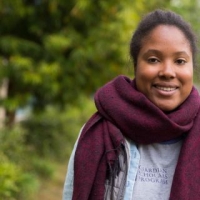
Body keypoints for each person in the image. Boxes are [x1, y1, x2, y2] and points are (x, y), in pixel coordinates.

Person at [63, 9, 200, 200]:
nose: (168, 72)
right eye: (153, 59)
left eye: (180, 61)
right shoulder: (98, 134)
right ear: (135, 65)